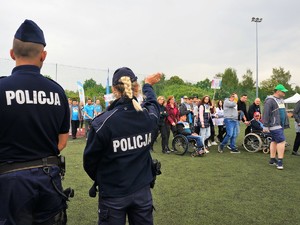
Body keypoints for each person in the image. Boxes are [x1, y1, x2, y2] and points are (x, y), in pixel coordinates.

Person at [0, 19, 70, 224]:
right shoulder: (57, 91)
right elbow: (62, 141)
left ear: (12, 53)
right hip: (48, 178)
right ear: (43, 55)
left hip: (9, 183)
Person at [83, 67, 161, 225]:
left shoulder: (103, 123)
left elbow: (90, 162)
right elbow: (153, 104)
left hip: (113, 193)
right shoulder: (147, 117)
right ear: (136, 87)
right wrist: (148, 85)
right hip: (142, 191)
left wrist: (107, 179)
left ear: (114, 90)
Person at [262, 84, 290, 170]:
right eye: (283, 91)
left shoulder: (280, 100)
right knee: (281, 142)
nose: (284, 92)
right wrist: (265, 126)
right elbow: (266, 113)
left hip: (279, 125)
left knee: (274, 141)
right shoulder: (270, 101)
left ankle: (272, 159)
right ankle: (280, 162)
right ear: (278, 91)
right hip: (275, 125)